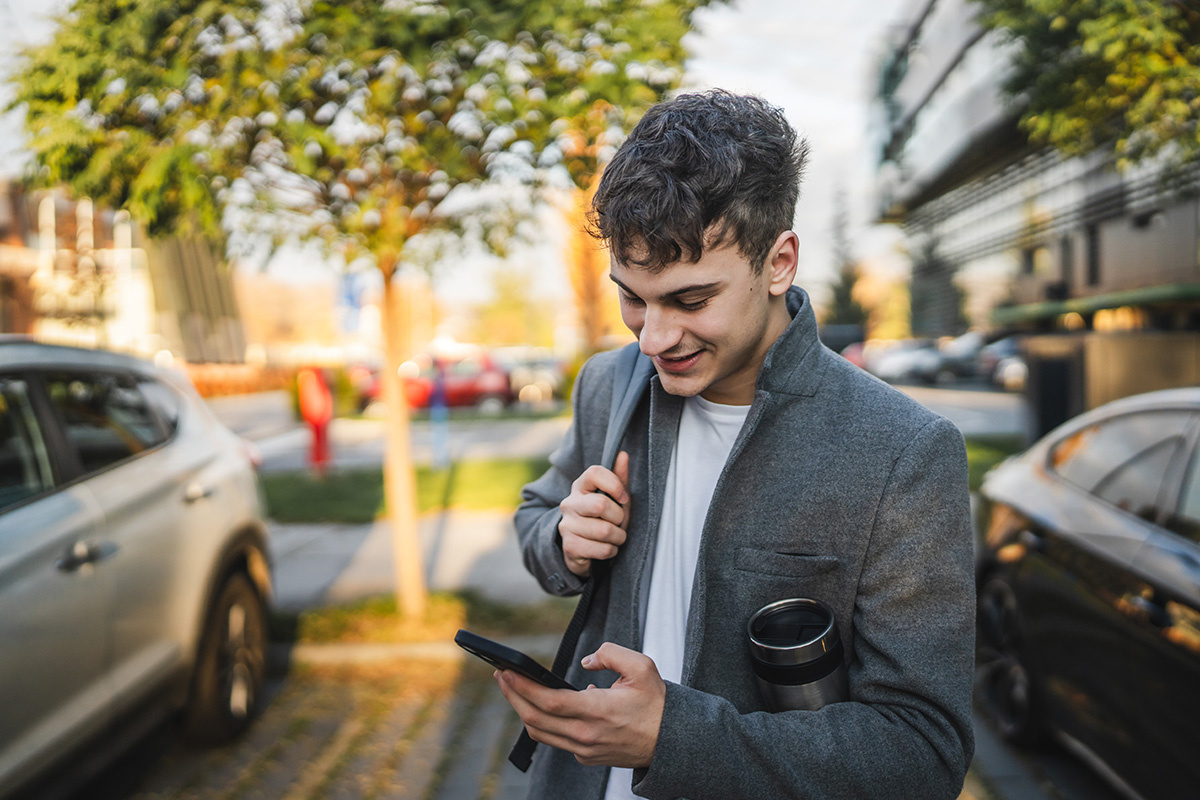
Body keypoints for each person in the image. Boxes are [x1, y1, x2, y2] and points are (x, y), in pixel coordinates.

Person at [499, 90, 975, 800]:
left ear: (779, 262)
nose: (653, 338)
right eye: (633, 296)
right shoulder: (606, 384)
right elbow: (537, 518)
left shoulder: (904, 453)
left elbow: (921, 751)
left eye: (690, 301)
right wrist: (564, 538)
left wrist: (674, 737)